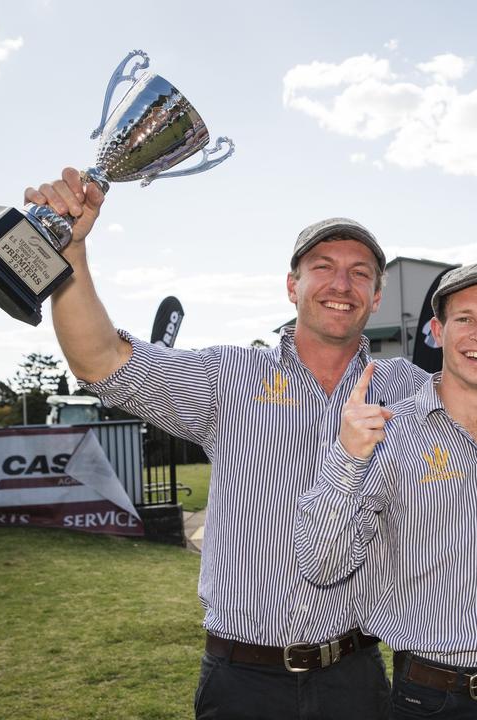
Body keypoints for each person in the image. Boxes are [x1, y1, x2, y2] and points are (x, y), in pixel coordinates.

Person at [25, 168, 428, 719]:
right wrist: (71, 251)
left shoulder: (405, 388)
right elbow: (101, 362)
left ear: (377, 296)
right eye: (323, 269)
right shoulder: (230, 377)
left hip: (354, 678)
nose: (341, 285)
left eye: (360, 274)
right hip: (245, 681)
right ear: (293, 286)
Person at [295, 264, 477, 719]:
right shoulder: (389, 434)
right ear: (437, 330)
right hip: (432, 699)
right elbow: (321, 563)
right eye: (464, 319)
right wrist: (348, 457)